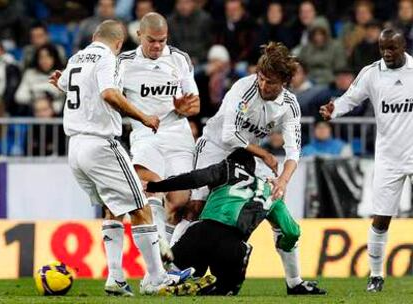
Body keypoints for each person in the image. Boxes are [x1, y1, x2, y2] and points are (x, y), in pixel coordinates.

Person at [49, 19, 192, 296]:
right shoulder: (108, 58)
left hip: (75, 148)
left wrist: (61, 84)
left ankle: (115, 277)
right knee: (141, 204)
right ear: (118, 43)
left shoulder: (76, 57)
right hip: (100, 144)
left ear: (94, 36)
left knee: (113, 207)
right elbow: (108, 93)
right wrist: (143, 116)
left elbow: (66, 83)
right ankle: (156, 278)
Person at [190, 42, 311, 294]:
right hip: (215, 148)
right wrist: (264, 153)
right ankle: (175, 273)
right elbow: (229, 134)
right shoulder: (243, 89)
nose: (264, 86)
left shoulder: (290, 105)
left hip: (245, 157)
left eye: (271, 83)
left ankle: (295, 282)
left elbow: (293, 151)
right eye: (262, 79)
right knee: (196, 208)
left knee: (279, 213)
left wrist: (283, 181)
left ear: (285, 82)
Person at [146, 148, 325, 295]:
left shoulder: (226, 168)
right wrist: (285, 245)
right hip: (231, 246)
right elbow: (292, 231)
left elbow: (194, 178)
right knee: (227, 288)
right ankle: (219, 287)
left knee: (171, 273)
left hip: (200, 234)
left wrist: (157, 186)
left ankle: (175, 278)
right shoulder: (271, 191)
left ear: (231, 160)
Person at [319, 28, 413, 292]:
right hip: (388, 158)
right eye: (383, 48)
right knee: (381, 218)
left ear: (403, 46)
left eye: (392, 48)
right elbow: (351, 98)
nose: (387, 53)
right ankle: (375, 275)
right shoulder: (372, 73)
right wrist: (333, 110)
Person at [118, 12, 200, 248]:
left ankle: (167, 262)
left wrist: (186, 107)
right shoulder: (124, 63)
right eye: (151, 40)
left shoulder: (180, 59)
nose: (156, 46)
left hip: (178, 135)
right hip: (146, 135)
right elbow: (112, 97)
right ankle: (161, 247)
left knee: (179, 201)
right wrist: (139, 116)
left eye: (161, 40)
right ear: (139, 35)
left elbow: (195, 104)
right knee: (149, 189)